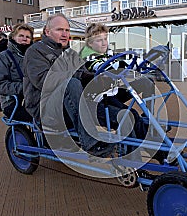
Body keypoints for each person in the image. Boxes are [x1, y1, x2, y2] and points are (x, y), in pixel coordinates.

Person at [23, 14, 146, 158]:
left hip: (76, 104)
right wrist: (78, 76)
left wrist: (103, 80)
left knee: (125, 114)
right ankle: (91, 143)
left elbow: (84, 75)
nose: (64, 34)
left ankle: (151, 150)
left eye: (67, 30)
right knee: (71, 83)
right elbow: (43, 80)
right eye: (59, 30)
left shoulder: (70, 53)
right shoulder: (35, 51)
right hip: (46, 108)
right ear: (47, 32)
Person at [0, 24, 34, 122]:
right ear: (13, 37)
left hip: (33, 100)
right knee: (44, 118)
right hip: (12, 102)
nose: (24, 39)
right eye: (21, 36)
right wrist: (25, 87)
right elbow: (0, 85)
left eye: (27, 37)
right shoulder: (4, 57)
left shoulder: (34, 57)